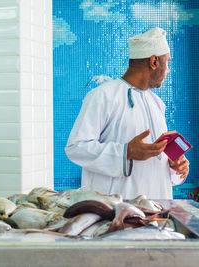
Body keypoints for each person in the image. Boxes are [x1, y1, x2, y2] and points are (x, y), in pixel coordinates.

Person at [65, 27, 189, 200]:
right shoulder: (103, 96)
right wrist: (125, 152)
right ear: (154, 62)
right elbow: (75, 148)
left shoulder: (157, 103)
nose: (168, 70)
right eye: (167, 62)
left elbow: (155, 162)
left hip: (155, 212)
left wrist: (175, 166)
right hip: (116, 214)